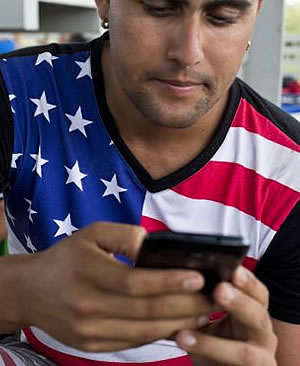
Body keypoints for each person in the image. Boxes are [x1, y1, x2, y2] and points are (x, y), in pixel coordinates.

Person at [0, 0, 299, 365]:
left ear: (254, 15)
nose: (188, 53)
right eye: (159, 8)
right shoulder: (16, 94)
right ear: (105, 3)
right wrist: (24, 291)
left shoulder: (289, 170)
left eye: (222, 17)